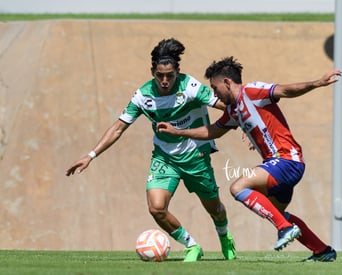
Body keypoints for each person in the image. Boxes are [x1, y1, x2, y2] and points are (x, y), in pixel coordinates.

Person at [65, 39, 236, 262]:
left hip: (196, 157)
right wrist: (90, 155)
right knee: (156, 208)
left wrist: (242, 122)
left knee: (215, 209)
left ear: (178, 72)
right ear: (152, 72)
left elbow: (228, 105)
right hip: (164, 158)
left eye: (170, 75)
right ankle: (192, 246)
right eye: (159, 75)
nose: (165, 80)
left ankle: (224, 236)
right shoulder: (143, 95)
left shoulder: (191, 87)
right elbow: (118, 127)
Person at [157, 56, 342, 262]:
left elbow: (285, 90)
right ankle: (322, 250)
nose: (214, 93)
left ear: (227, 82)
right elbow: (213, 131)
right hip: (279, 165)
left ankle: (284, 228)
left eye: (215, 87)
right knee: (279, 212)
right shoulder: (233, 110)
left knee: (238, 187)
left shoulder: (252, 92)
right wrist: (178, 132)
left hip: (287, 160)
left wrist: (316, 83)